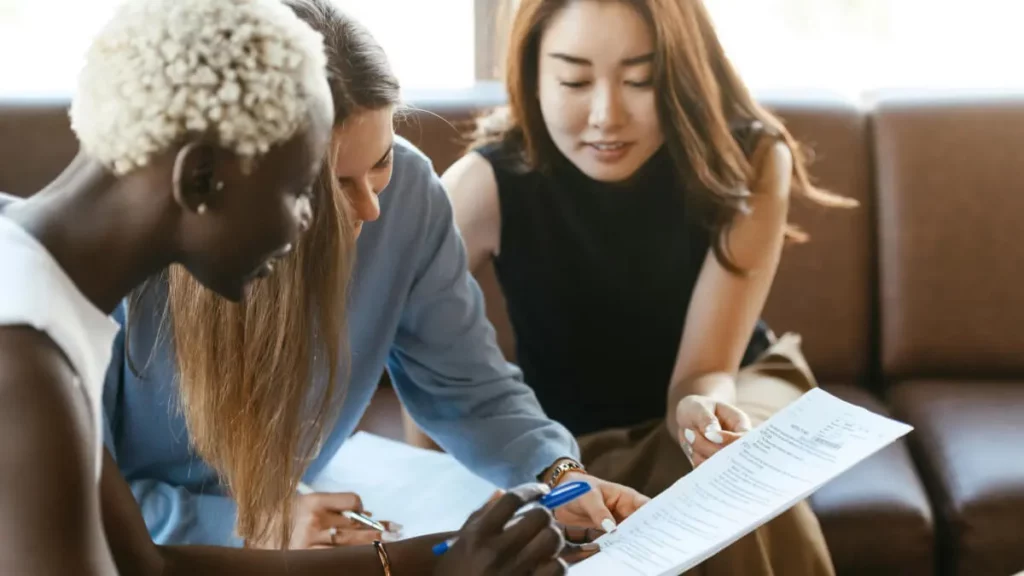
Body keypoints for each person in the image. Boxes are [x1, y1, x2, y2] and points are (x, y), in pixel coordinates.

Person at [0, 0, 569, 574]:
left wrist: (442, 558)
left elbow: (151, 565)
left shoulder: (52, 300)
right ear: (201, 179)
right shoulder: (22, 356)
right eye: (303, 190)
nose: (308, 223)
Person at [104, 0, 646, 552]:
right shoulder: (115, 260)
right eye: (332, 184)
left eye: (381, 160)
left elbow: (471, 389)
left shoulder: (408, 191)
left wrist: (557, 473)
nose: (370, 210)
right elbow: (56, 499)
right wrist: (250, 526)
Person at [436, 0, 861, 574]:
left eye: (642, 79)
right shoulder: (483, 183)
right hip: (568, 436)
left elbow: (703, 372)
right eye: (574, 80)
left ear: (681, 74)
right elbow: (421, 352)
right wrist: (440, 482)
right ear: (531, 76)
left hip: (733, 387)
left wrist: (705, 416)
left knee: (731, 472)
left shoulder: (750, 159)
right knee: (619, 486)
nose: (607, 115)